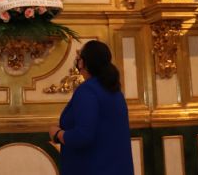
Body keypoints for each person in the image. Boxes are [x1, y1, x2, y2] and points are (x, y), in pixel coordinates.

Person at [48, 40, 134, 175]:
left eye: (78, 58)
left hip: (92, 168)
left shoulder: (87, 90)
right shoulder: (114, 90)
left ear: (82, 62)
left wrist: (57, 134)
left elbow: (83, 136)